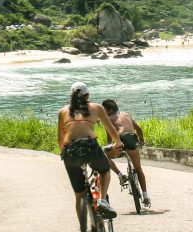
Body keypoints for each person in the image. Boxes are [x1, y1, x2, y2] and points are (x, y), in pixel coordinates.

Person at [58, 82, 123, 219]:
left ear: (71, 95)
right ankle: (102, 200)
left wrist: (64, 153)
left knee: (79, 195)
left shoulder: (63, 111)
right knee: (105, 170)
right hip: (90, 147)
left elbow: (61, 139)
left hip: (71, 152)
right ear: (87, 95)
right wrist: (118, 142)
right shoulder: (96, 107)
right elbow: (110, 127)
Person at [102, 98, 150, 207]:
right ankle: (145, 196)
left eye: (104, 110)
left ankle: (120, 175)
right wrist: (141, 141)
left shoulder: (108, 120)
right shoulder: (126, 114)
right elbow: (139, 129)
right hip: (132, 141)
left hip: (120, 143)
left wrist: (109, 147)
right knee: (139, 169)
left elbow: (109, 138)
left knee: (104, 156)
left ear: (108, 110)